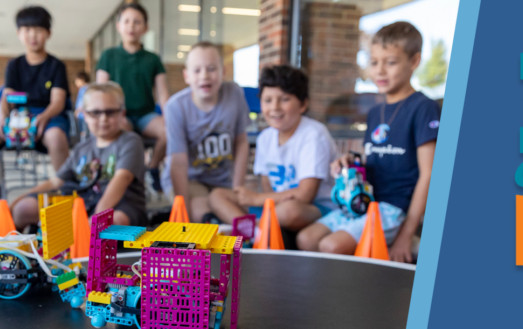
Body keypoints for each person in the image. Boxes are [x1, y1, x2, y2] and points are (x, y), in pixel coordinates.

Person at [298, 22, 438, 263]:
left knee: (331, 246)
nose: (380, 71)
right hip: (364, 203)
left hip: (395, 208)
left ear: (414, 62)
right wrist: (350, 161)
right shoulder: (375, 112)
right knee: (306, 239)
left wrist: (406, 234)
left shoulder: (423, 108)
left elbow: (430, 174)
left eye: (390, 62)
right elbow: (371, 161)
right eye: (374, 62)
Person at [10, 83, 146, 227]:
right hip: (84, 202)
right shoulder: (82, 148)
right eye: (95, 113)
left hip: (120, 204)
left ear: (122, 114)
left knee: (115, 221)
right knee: (24, 209)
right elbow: (56, 181)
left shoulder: (130, 141)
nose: (103, 119)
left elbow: (122, 179)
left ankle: (82, 237)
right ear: (84, 115)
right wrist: (19, 199)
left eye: (110, 112)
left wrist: (95, 219)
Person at [0, 6, 72, 196]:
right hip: (18, 117)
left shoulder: (56, 66)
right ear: (19, 33)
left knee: (55, 137)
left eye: (38, 29)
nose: (32, 35)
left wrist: (43, 118)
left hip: (48, 116)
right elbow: (8, 97)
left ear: (48, 33)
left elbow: (58, 102)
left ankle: (67, 190)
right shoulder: (14, 65)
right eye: (27, 30)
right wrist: (2, 116)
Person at [234, 65, 337, 239]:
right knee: (219, 196)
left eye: (284, 99)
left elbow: (305, 195)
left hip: (316, 209)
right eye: (267, 100)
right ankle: (252, 228)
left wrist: (255, 199)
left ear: (303, 104)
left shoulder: (314, 135)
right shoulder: (265, 138)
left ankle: (247, 230)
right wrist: (261, 200)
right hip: (279, 206)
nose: (275, 107)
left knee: (291, 210)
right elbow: (268, 189)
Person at [166, 42, 250, 224]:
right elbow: (179, 163)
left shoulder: (234, 93)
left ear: (223, 72)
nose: (204, 75)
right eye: (197, 70)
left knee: (233, 209)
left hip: (223, 179)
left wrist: (238, 187)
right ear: (186, 76)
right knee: (199, 211)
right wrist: (183, 213)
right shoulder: (175, 107)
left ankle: (250, 235)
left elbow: (241, 143)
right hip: (190, 178)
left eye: (211, 69)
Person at [95, 3, 169, 192]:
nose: (131, 26)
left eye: (137, 22)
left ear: (145, 28)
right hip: (119, 115)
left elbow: (162, 93)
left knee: (170, 131)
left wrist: (170, 117)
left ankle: (151, 167)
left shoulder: (153, 59)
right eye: (126, 21)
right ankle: (128, 177)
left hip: (146, 115)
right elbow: (100, 92)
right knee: (127, 134)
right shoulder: (108, 55)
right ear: (118, 25)